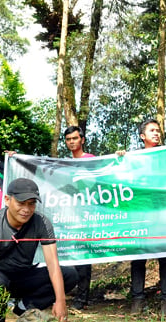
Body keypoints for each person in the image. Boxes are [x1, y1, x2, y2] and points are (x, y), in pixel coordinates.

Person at [0, 178, 79, 322]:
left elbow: (53, 264)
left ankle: (24, 308)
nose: (26, 209)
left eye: (31, 204)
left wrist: (60, 301)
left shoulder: (41, 223)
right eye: (21, 203)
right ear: (7, 200)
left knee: (69, 274)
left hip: (22, 275)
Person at [117, 119, 166, 317]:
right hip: (140, 213)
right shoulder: (133, 157)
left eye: (158, 130)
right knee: (138, 257)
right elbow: (121, 176)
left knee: (165, 257)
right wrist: (120, 159)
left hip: (163, 213)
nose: (156, 133)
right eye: (152, 130)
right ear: (142, 136)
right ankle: (137, 301)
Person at [63, 125, 96, 310]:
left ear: (82, 140)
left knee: (84, 257)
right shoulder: (64, 164)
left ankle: (81, 299)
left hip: (89, 216)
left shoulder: (92, 160)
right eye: (68, 140)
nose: (72, 142)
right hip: (69, 216)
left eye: (75, 138)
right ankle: (69, 294)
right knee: (70, 257)